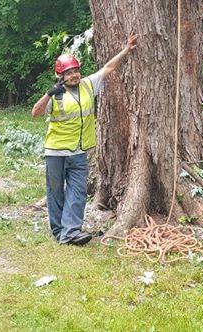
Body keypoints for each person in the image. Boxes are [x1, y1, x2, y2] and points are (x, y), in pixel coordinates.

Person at [31, 33, 138, 245]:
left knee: (78, 192)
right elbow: (35, 113)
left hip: (79, 152)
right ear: (60, 75)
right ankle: (59, 229)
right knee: (55, 193)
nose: (74, 76)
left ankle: (71, 232)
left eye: (76, 71)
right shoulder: (55, 95)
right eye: (69, 73)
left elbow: (107, 68)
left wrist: (126, 50)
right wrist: (48, 94)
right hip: (56, 152)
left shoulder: (88, 85)